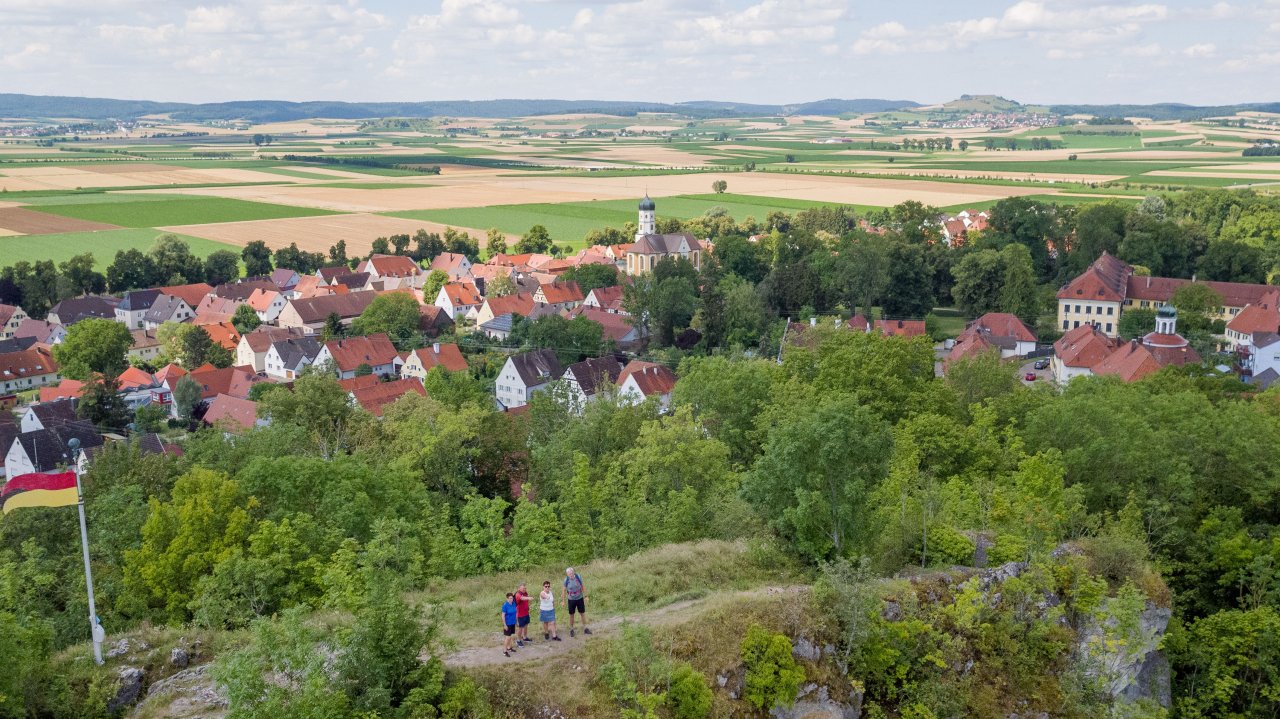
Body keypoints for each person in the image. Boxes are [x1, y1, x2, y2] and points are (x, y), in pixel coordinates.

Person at [564, 567, 590, 637]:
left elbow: (582, 586)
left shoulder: (578, 577)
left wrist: (586, 596)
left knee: (582, 613)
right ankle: (571, 629)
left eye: (571, 573)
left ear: (573, 572)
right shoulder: (566, 580)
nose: (570, 575)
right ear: (567, 574)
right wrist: (563, 601)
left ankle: (585, 628)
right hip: (571, 599)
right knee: (571, 615)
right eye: (569, 574)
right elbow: (564, 590)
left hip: (580, 598)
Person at [500, 592, 518, 657]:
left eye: (512, 598)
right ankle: (504, 651)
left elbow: (515, 612)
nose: (511, 599)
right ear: (507, 598)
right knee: (507, 638)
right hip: (507, 624)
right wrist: (505, 625)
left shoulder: (514, 603)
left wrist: (516, 621)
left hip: (513, 623)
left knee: (510, 637)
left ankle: (509, 648)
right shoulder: (505, 606)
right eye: (510, 598)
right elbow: (503, 616)